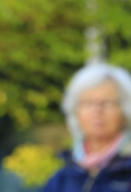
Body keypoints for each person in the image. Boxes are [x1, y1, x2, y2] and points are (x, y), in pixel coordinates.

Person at [42, 63, 131, 192]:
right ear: (75, 111)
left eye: (107, 103)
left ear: (125, 110)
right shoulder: (62, 175)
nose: (97, 111)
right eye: (87, 103)